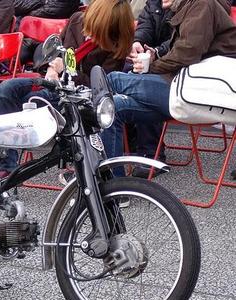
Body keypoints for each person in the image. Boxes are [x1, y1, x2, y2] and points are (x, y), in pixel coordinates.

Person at [0, 0, 135, 184]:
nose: (86, 32)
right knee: (6, 88)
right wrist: (51, 67)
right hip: (51, 84)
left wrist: (68, 70)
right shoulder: (76, 20)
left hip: (74, 97)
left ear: (110, 28)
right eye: (88, 24)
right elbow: (53, 52)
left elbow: (100, 84)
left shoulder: (115, 46)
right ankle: (4, 167)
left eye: (94, 28)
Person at [101, 0, 236, 177]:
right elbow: (178, 48)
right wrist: (153, 53)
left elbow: (187, 53)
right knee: (114, 107)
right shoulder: (191, 6)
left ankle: (79, 151)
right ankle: (112, 187)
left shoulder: (203, 4)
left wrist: (151, 65)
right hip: (189, 88)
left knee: (110, 79)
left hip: (203, 94)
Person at [126, 0, 173, 177]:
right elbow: (146, 24)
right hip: (156, 56)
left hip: (180, 63)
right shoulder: (155, 2)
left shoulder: (196, 4)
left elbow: (184, 40)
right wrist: (138, 41)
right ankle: (131, 140)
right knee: (118, 70)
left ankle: (151, 153)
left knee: (143, 80)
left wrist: (157, 53)